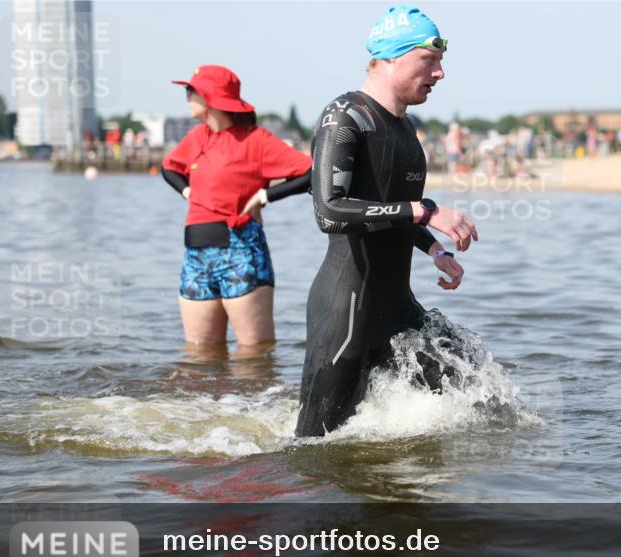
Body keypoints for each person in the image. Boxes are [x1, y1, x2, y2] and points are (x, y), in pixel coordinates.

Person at [296, 5, 478, 437]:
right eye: (428, 60)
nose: (440, 73)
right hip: (347, 315)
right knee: (315, 449)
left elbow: (390, 209)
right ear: (391, 57)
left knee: (479, 395)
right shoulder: (345, 117)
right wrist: (425, 210)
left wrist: (435, 248)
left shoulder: (406, 128)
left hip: (397, 308)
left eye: (440, 62)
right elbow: (330, 211)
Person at [161, 65, 313, 346]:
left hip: (241, 254)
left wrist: (265, 196)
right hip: (195, 259)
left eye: (191, 90)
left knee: (254, 355)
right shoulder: (197, 136)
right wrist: (187, 191)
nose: (187, 96)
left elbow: (311, 173)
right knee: (199, 357)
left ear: (211, 96)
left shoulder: (257, 140)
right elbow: (169, 167)